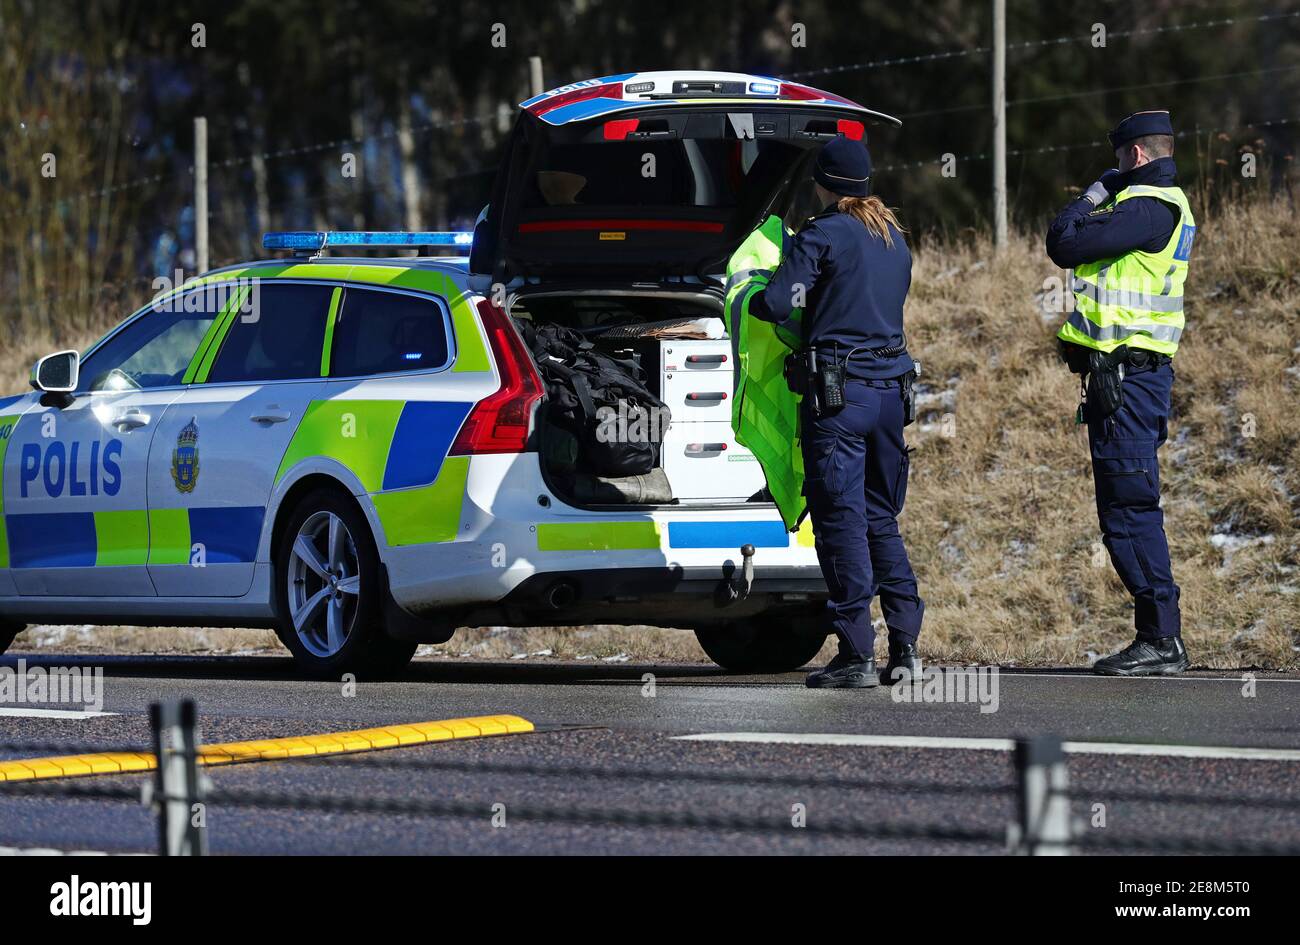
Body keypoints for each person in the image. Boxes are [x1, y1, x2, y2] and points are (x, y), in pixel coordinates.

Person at [747, 134, 925, 689]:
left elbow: (775, 304)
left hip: (839, 398)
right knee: (879, 519)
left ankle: (855, 654)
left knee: (839, 520)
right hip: (891, 397)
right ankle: (907, 647)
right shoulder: (893, 237)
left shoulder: (822, 235)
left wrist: (754, 290)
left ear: (822, 184)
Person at [1046, 110, 1196, 676]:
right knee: (1126, 508)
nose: (1113, 168)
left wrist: (1088, 196)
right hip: (1128, 379)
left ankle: (1161, 638)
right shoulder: (1160, 207)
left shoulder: (1147, 207)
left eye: (1117, 159)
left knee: (1130, 512)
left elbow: (1061, 243)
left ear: (1135, 156)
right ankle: (1159, 635)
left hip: (1129, 382)